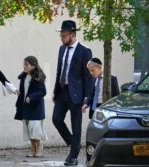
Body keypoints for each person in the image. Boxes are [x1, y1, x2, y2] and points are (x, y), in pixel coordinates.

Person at [52, 20, 93, 166]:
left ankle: (73, 156)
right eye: (61, 35)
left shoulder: (85, 51)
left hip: (77, 94)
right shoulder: (61, 49)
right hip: (62, 91)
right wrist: (55, 91)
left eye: (64, 35)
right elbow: (59, 71)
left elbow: (89, 76)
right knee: (56, 119)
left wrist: (87, 98)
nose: (62, 38)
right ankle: (74, 145)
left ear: (72, 35)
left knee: (76, 126)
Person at [14, 56, 48, 158]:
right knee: (29, 129)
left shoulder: (38, 77)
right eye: (24, 64)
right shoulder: (24, 77)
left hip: (35, 107)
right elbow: (24, 90)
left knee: (35, 128)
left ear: (33, 66)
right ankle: (33, 148)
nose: (24, 66)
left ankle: (39, 147)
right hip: (25, 107)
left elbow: (43, 92)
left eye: (26, 64)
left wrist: (31, 97)